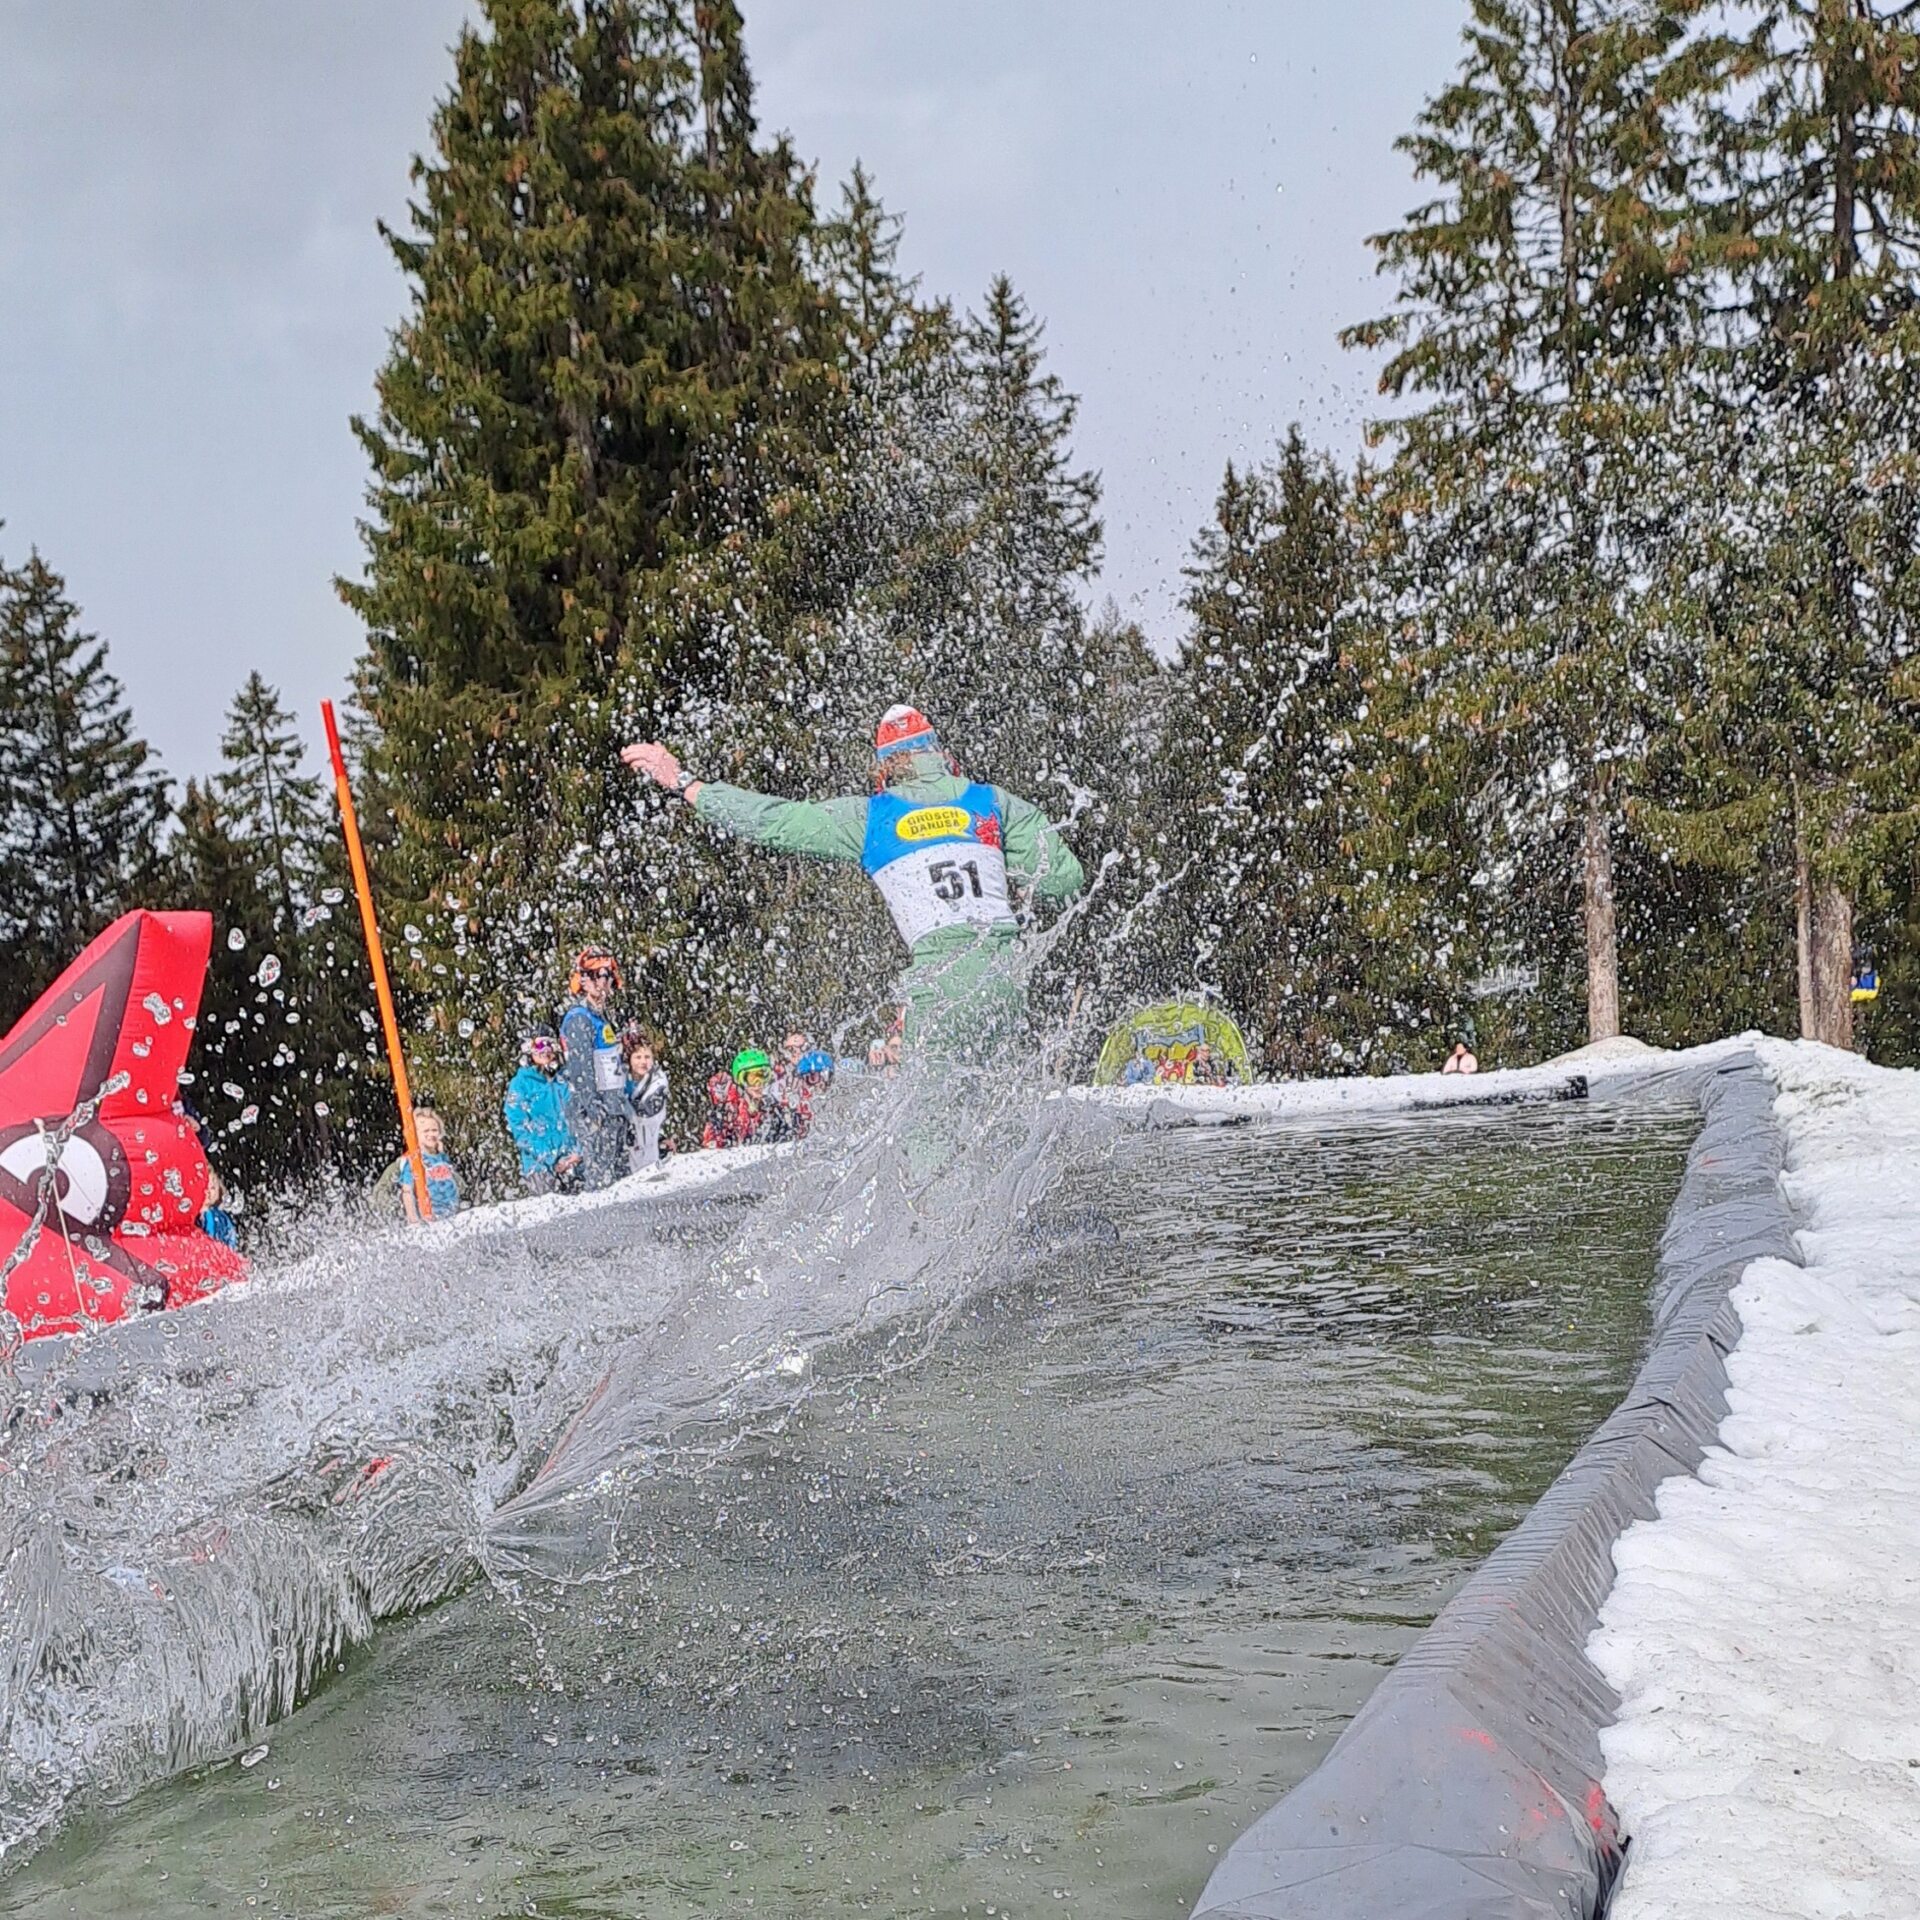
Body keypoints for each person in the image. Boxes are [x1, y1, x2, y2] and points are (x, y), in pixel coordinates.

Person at [622, 706, 1084, 1062]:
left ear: (885, 769)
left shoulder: (869, 817)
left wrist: (683, 781)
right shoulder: (994, 802)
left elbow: (774, 821)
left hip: (940, 991)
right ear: (941, 756)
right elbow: (1066, 878)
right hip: (1006, 983)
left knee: (929, 1137)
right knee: (1001, 1118)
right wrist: (1011, 880)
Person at [558, 946, 630, 1189]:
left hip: (612, 1108)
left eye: (607, 974)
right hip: (595, 1112)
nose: (604, 981)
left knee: (617, 1179)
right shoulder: (580, 1017)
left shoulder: (602, 1017)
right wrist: (594, 1108)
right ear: (584, 980)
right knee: (600, 1180)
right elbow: (581, 1069)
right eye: (597, 974)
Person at [504, 1028, 584, 1195]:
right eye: (540, 1045)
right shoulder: (521, 1083)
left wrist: (576, 1151)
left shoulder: (565, 1078)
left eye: (550, 1044)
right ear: (529, 1050)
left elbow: (579, 1116)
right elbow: (518, 1125)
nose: (545, 1050)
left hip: (571, 1160)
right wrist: (548, 1156)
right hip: (539, 1165)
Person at [702, 1048, 789, 1150]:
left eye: (762, 1076)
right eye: (751, 1078)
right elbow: (713, 1145)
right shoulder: (727, 1110)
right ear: (740, 1081)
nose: (758, 1084)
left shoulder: (772, 1107)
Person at [397, 1108, 461, 1222]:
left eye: (434, 1130)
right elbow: (407, 1192)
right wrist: (414, 1220)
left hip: (453, 1214)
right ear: (415, 1135)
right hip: (432, 1218)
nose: (431, 1134)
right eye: (426, 1131)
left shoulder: (442, 1157)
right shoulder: (414, 1161)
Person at [624, 1028, 671, 1172]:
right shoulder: (622, 1082)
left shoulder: (657, 1081)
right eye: (638, 1057)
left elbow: (651, 1113)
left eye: (647, 1057)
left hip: (650, 1142)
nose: (643, 1062)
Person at [200, 1167, 239, 1248]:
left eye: (213, 1188)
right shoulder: (189, 1215)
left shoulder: (222, 1219)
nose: (209, 1192)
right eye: (205, 1187)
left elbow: (230, 1243)